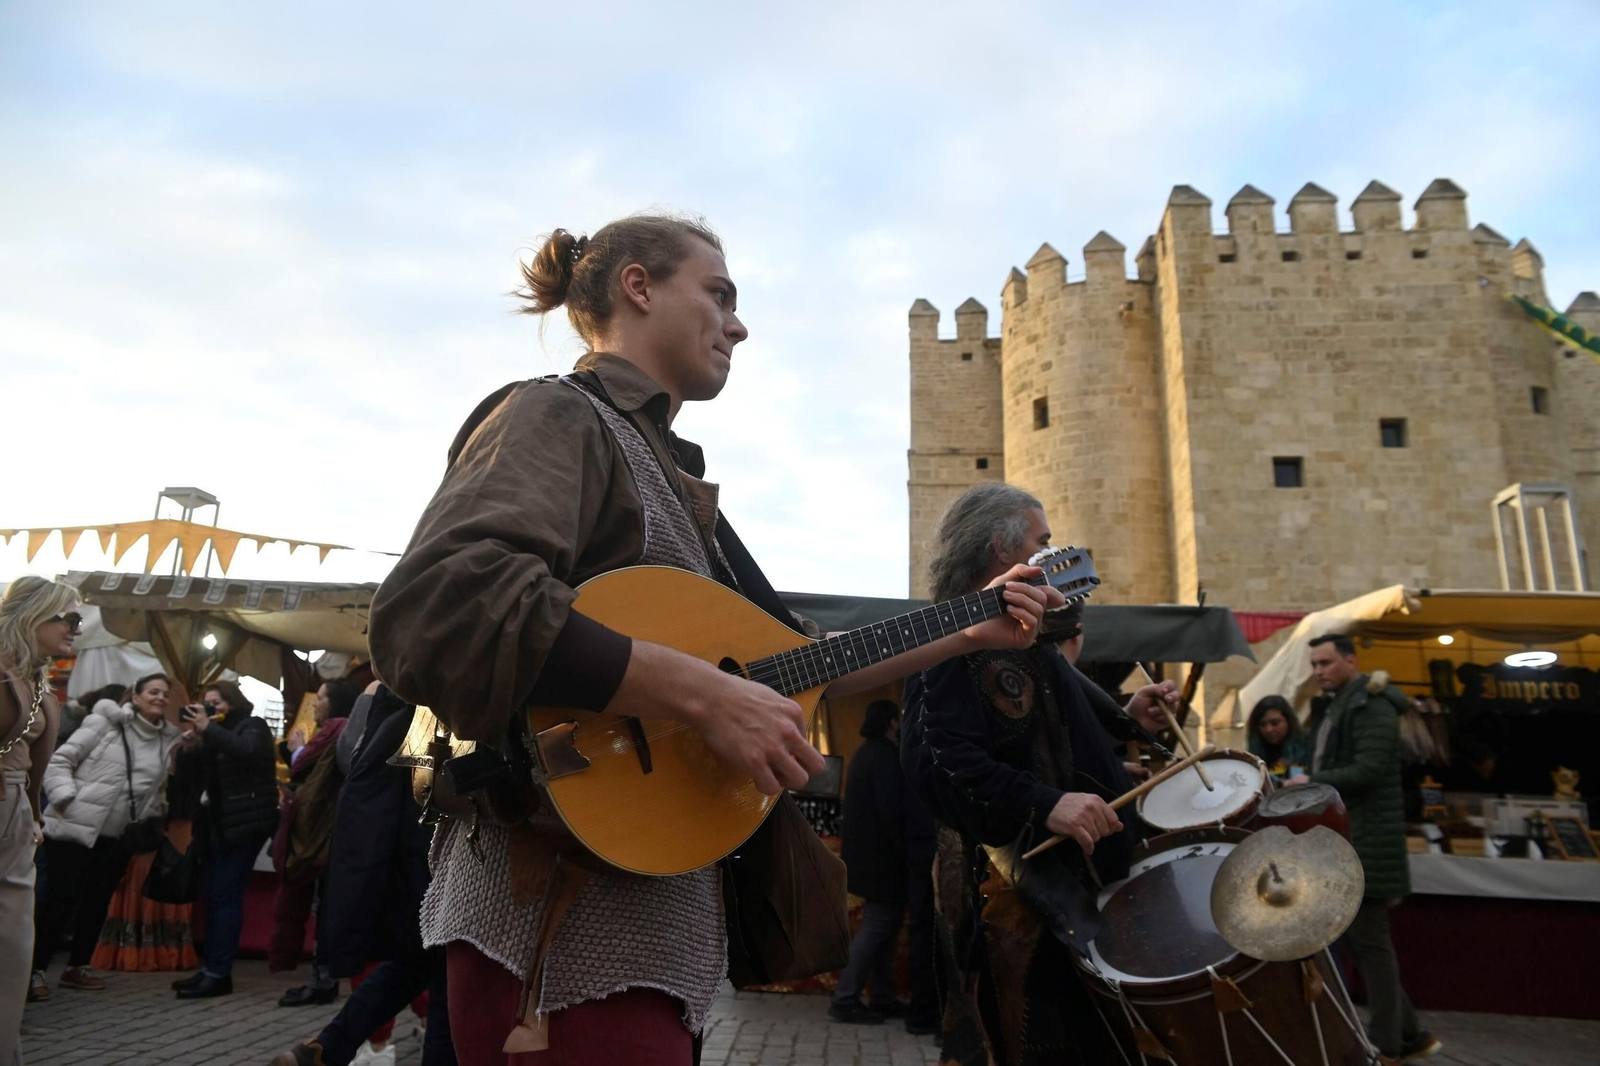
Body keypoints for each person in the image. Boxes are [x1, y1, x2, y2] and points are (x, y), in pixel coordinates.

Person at [366, 214, 1060, 1065]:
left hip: (650, 935)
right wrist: (702, 693)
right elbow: (443, 605)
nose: (738, 323)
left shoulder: (670, 476)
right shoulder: (554, 415)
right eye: (719, 294)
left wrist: (967, 627)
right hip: (549, 940)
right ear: (639, 287)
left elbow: (798, 664)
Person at [900, 483, 1177, 1066]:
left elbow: (1050, 736)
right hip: (1009, 896)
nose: (1052, 551)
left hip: (1075, 886)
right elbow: (938, 763)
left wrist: (1128, 719)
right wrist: (1043, 803)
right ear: (1003, 547)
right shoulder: (948, 635)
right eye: (1040, 540)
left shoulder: (1031, 638)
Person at [272, 682, 455, 1066]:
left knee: (426, 964)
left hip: (406, 856)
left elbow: (369, 770)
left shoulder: (401, 697)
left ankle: (332, 1044)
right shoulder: (441, 709)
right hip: (442, 858)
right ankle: (335, 1043)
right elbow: (436, 790)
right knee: (445, 971)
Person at [1286, 635, 1441, 1062]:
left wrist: (1312, 781)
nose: (1318, 670)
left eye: (1326, 662)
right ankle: (1411, 1035)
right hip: (1349, 837)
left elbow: (1371, 769)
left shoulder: (1370, 704)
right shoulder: (1338, 702)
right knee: (1359, 943)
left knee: (1370, 946)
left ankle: (1389, 1045)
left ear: (1351, 661)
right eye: (1314, 663)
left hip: (1367, 840)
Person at [30, 672, 180, 998]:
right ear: (136, 696)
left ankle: (76, 967)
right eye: (153, 691)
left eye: (165, 694)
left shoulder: (166, 739)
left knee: (97, 903)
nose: (160, 698)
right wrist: (67, 797)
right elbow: (59, 761)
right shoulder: (105, 725)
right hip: (74, 828)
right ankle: (34, 970)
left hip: (117, 836)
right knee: (59, 901)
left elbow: (154, 789)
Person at [1, 576, 76, 1066]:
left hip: (16, 822)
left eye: (79, 620)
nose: (76, 629)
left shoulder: (35, 681)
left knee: (12, 953)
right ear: (34, 617)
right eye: (67, 619)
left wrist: (30, 814)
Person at [171, 679, 280, 1000]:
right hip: (215, 827)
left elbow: (248, 753)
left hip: (244, 826)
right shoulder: (210, 734)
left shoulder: (253, 725)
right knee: (214, 897)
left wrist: (208, 729)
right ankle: (210, 970)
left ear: (232, 702)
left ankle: (219, 973)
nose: (209, 709)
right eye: (205, 704)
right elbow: (194, 781)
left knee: (226, 896)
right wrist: (190, 750)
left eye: (215, 703)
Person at [274, 678, 359, 1007]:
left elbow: (305, 766)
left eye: (321, 698)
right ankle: (321, 978)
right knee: (321, 905)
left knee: (322, 906)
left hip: (324, 833)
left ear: (335, 702)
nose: (314, 704)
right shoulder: (345, 729)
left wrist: (296, 749)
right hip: (330, 831)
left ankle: (322, 980)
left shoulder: (335, 728)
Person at [829, 699, 907, 1025]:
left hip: (865, 858)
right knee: (878, 925)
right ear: (891, 722)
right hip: (882, 860)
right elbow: (891, 813)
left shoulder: (865, 754)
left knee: (884, 928)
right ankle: (846, 998)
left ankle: (882, 997)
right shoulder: (885, 757)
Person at [1246, 694, 1309, 781]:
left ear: (1288, 721)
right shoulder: (1256, 755)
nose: (1269, 730)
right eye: (1262, 725)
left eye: (1275, 723)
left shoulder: (1309, 742)